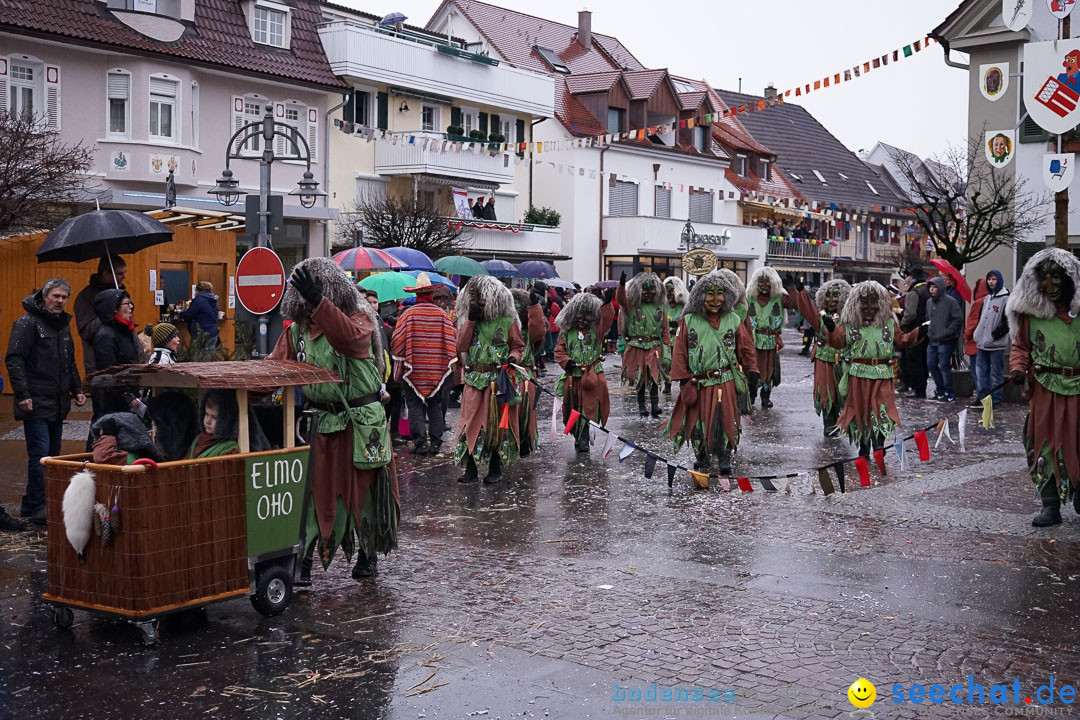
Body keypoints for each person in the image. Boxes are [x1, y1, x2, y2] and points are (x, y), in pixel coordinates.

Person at [270, 257, 398, 581]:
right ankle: (305, 560)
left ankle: (368, 555)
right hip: (321, 425)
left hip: (359, 426)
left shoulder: (359, 319)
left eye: (315, 293)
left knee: (362, 495)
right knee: (315, 494)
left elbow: (350, 340)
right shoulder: (296, 332)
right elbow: (274, 368)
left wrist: (320, 304)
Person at [1007, 249, 1080, 526]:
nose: (1049, 286)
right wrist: (1017, 368)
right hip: (1046, 390)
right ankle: (1050, 504)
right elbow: (1021, 347)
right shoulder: (1032, 315)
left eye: (1057, 277)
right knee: (1043, 444)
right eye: (1044, 278)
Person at [4, 279, 85, 528]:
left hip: (57, 401)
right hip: (35, 401)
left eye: (64, 297)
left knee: (51, 455)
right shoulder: (26, 323)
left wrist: (78, 389)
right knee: (40, 455)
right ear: (44, 295)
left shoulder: (63, 327)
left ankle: (31, 502)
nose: (60, 301)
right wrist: (23, 393)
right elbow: (15, 359)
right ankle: (40, 505)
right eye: (55, 296)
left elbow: (69, 362)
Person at [667, 270, 759, 476]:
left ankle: (725, 456)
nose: (716, 300)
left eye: (720, 294)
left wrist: (752, 370)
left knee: (726, 418)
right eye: (710, 294)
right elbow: (680, 351)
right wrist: (682, 379)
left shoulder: (734, 319)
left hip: (725, 381)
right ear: (700, 295)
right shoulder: (688, 320)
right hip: (698, 382)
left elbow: (745, 348)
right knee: (698, 420)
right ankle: (702, 456)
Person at [822, 281, 925, 457]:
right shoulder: (850, 325)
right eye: (864, 302)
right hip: (858, 375)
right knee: (860, 410)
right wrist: (831, 329)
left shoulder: (889, 324)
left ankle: (878, 444)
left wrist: (919, 332)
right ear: (856, 303)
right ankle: (863, 445)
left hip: (882, 374)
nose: (869, 307)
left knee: (882, 410)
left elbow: (901, 340)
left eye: (874, 302)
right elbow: (839, 342)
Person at [453, 276, 525, 484]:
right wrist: (471, 321)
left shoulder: (507, 321)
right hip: (474, 380)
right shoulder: (468, 321)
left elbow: (518, 346)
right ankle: (471, 470)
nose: (480, 304)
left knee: (496, 425)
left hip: (498, 381)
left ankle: (495, 467)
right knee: (470, 424)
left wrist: (513, 358)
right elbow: (461, 347)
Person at [390, 274, 457, 456]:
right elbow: (452, 340)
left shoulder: (408, 315)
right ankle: (436, 442)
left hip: (413, 369)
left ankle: (420, 443)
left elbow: (397, 341)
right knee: (435, 404)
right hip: (438, 369)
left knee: (415, 405)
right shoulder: (442, 315)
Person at [554, 291, 616, 453]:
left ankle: (584, 437)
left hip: (593, 376)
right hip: (573, 379)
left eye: (588, 315)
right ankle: (577, 435)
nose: (582, 318)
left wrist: (608, 304)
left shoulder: (597, 330)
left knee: (590, 408)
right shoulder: (567, 332)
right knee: (573, 408)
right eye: (580, 314)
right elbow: (559, 351)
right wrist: (568, 363)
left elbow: (607, 319)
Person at [789, 275, 852, 436]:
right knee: (826, 393)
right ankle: (829, 423)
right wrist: (801, 292)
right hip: (823, 360)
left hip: (842, 361)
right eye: (828, 295)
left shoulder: (849, 318)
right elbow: (807, 310)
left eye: (836, 295)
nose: (831, 300)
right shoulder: (821, 317)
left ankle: (846, 421)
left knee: (843, 392)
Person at [743, 267, 799, 409]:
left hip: (771, 341)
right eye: (761, 282)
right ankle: (751, 395)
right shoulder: (749, 297)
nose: (764, 286)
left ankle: (765, 397)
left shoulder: (779, 297)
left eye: (768, 283)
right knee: (752, 369)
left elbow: (794, 303)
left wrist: (791, 287)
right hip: (753, 341)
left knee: (769, 371)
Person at [617, 271, 670, 418]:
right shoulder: (631, 304)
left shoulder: (660, 306)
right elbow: (620, 299)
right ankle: (641, 406)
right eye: (644, 289)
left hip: (655, 347)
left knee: (654, 377)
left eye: (651, 289)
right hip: (636, 347)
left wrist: (666, 350)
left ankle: (654, 405)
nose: (648, 293)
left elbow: (665, 330)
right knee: (639, 378)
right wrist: (621, 285)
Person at [91, 289, 143, 420]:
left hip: (126, 396)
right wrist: (126, 395)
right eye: (127, 303)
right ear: (114, 308)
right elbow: (108, 371)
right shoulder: (105, 335)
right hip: (111, 401)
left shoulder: (125, 330)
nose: (131, 307)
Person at [510, 285, 549, 456]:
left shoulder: (528, 329)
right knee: (509, 411)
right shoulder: (506, 325)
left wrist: (534, 307)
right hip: (508, 374)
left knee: (526, 411)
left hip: (526, 375)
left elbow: (539, 331)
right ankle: (510, 441)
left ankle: (525, 440)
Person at [73, 255, 126, 378]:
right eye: (119, 273)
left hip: (123, 364)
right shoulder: (86, 297)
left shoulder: (121, 295)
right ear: (106, 274)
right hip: (100, 367)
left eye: (124, 273)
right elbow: (87, 331)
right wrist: (112, 312)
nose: (124, 277)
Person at [971, 270, 1011, 406]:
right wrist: (978, 334)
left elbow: (1007, 322)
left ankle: (996, 398)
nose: (991, 282)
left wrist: (995, 335)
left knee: (996, 373)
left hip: (996, 344)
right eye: (989, 279)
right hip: (982, 342)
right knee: (981, 372)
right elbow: (982, 318)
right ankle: (982, 396)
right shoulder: (987, 298)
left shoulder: (1006, 299)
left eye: (994, 279)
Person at [926, 277, 963, 402]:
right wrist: (929, 330)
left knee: (944, 366)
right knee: (931, 364)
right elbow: (929, 318)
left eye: (934, 287)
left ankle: (949, 392)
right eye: (930, 287)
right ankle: (940, 390)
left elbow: (958, 319)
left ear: (940, 288)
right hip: (932, 339)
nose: (931, 289)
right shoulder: (929, 303)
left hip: (946, 340)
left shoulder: (951, 302)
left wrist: (948, 331)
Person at [899, 268, 931, 398]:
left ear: (912, 278)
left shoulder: (914, 293)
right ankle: (921, 387)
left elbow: (910, 314)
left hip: (914, 331)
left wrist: (902, 325)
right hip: (925, 329)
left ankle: (918, 389)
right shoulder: (928, 290)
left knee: (914, 360)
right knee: (923, 360)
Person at [662, 277, 689, 395]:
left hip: (679, 339)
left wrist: (676, 324)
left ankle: (682, 382)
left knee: (680, 362)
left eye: (672, 291)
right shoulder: (664, 306)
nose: (670, 294)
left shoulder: (684, 306)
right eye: (667, 291)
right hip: (666, 340)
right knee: (667, 362)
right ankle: (667, 383)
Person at [963, 278, 988, 397]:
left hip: (975, 342)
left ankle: (981, 396)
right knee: (985, 371)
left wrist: (966, 335)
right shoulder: (989, 300)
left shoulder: (979, 303)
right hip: (986, 342)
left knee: (977, 371)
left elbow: (973, 322)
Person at [180, 281, 220, 346]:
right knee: (209, 354)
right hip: (213, 332)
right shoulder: (213, 300)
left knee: (198, 355)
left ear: (198, 290)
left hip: (201, 332)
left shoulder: (198, 300)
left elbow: (190, 315)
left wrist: (181, 314)